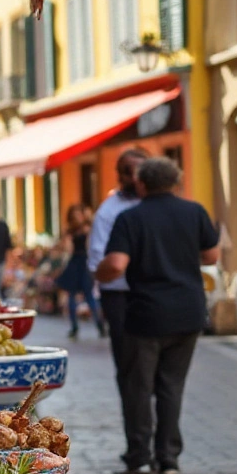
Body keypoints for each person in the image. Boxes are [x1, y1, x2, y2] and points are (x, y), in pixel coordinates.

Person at [97, 157, 220, 474]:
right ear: (176, 181)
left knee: (138, 386)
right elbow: (211, 255)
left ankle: (138, 456)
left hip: (146, 313)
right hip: (189, 312)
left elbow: (116, 265)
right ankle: (168, 458)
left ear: (141, 183)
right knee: (171, 385)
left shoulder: (130, 218)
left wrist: (99, 273)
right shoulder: (194, 212)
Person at [88, 148, 150, 377]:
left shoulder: (159, 206)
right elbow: (100, 263)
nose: (133, 177)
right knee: (128, 365)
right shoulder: (109, 210)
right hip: (120, 296)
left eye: (139, 171)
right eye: (127, 171)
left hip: (154, 294)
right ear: (119, 174)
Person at [56, 204, 105, 339]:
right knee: (74, 296)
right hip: (78, 261)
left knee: (88, 296)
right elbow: (67, 248)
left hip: (82, 262)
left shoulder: (85, 229)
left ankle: (98, 325)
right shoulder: (78, 230)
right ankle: (77, 326)